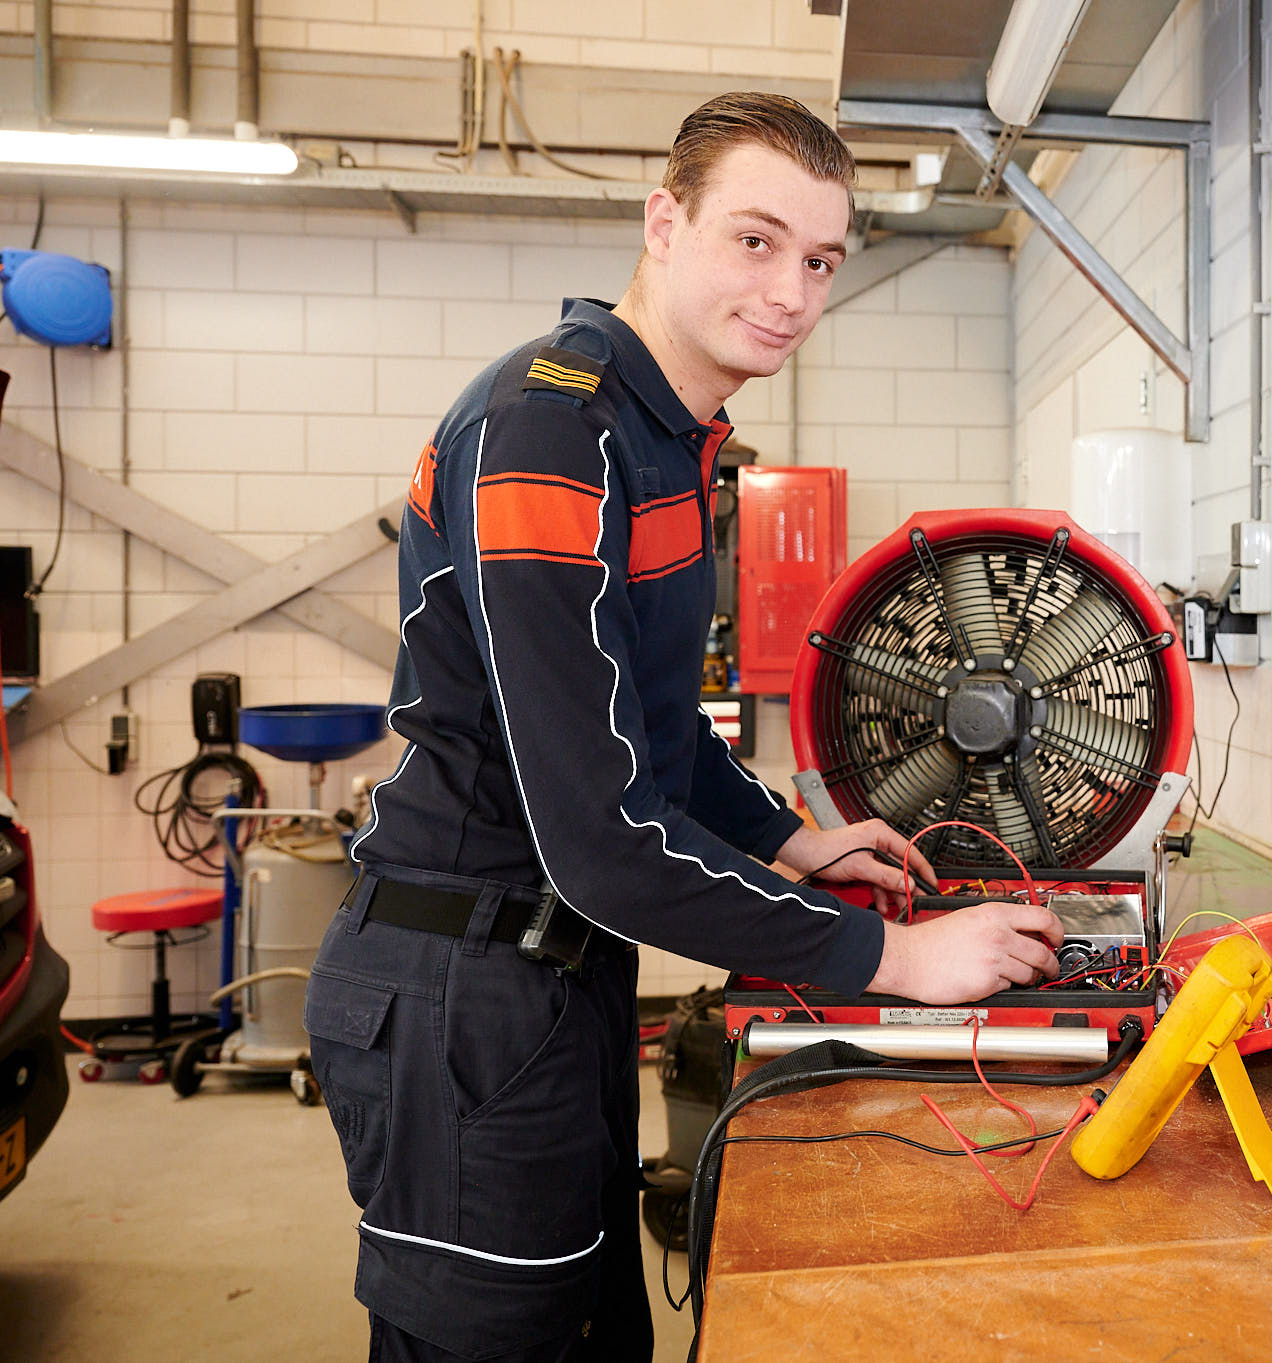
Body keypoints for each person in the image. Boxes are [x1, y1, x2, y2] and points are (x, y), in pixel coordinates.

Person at [304, 91, 1063, 1363]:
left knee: (600, 1336)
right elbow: (600, 837)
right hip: (460, 990)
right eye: (755, 241)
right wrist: (894, 961)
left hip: (557, 980)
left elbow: (651, 724)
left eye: (821, 259)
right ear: (665, 222)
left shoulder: (671, 436)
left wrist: (786, 839)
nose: (792, 291)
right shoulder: (551, 428)